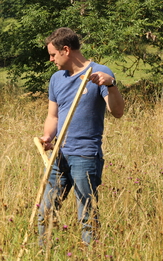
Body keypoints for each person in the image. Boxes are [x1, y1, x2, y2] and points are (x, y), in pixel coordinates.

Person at [38, 27, 124, 246]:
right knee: (45, 211)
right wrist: (48, 137)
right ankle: (42, 252)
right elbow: (53, 116)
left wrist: (111, 85)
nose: (50, 59)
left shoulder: (98, 73)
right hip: (60, 154)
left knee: (87, 214)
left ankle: (91, 253)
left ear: (66, 50)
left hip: (85, 156)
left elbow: (118, 112)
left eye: (53, 54)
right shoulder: (56, 78)